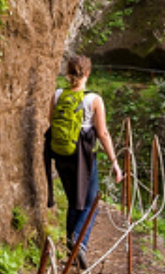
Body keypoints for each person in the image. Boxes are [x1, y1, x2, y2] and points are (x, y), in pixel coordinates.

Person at [45, 54, 123, 253]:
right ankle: (79, 242)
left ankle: (72, 245)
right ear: (87, 73)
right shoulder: (94, 100)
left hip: (60, 154)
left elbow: (52, 122)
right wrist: (114, 162)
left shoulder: (57, 95)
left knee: (74, 201)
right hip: (83, 156)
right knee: (90, 201)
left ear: (67, 72)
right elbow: (103, 133)